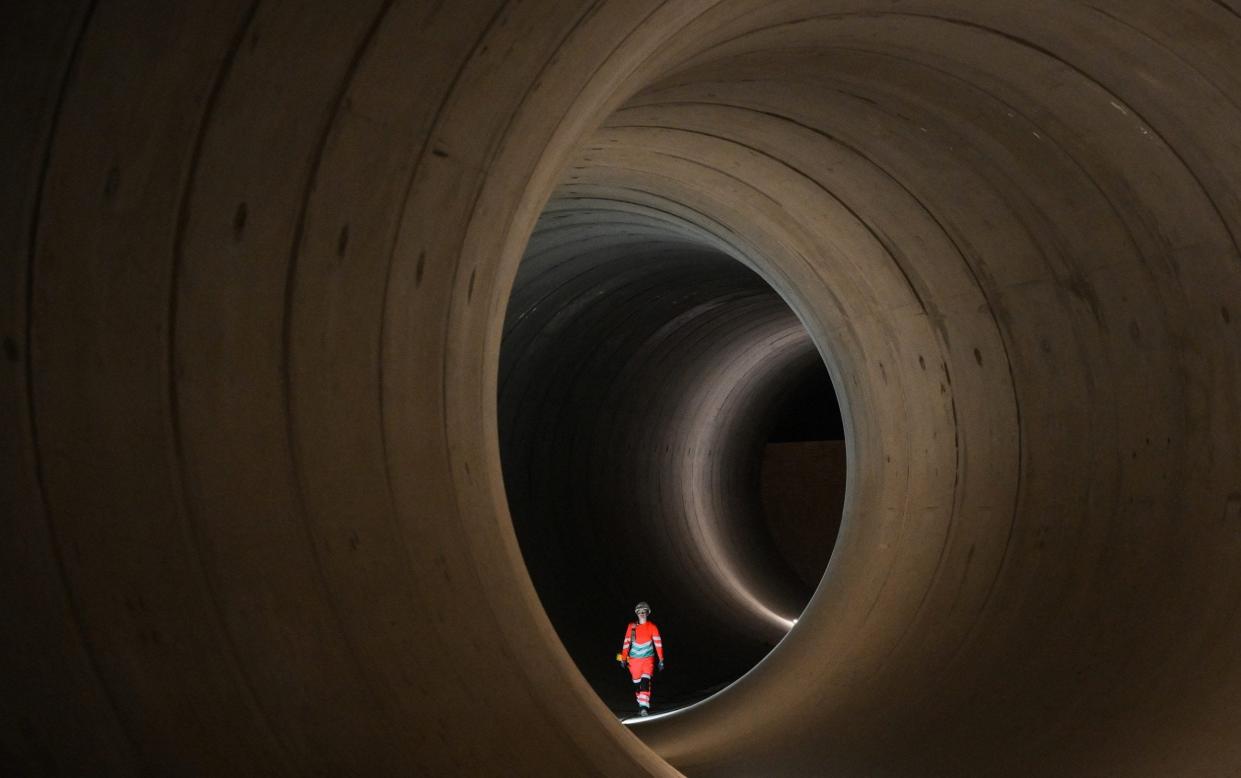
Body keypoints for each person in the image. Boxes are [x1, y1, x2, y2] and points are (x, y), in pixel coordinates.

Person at [616, 601, 664, 716]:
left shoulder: (652, 627)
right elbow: (627, 642)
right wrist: (623, 658)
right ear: (636, 613)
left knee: (645, 682)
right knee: (637, 685)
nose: (642, 613)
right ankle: (641, 702)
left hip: (648, 660)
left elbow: (658, 643)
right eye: (640, 612)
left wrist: (661, 659)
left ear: (648, 613)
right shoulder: (632, 627)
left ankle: (643, 707)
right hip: (634, 661)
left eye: (644, 611)